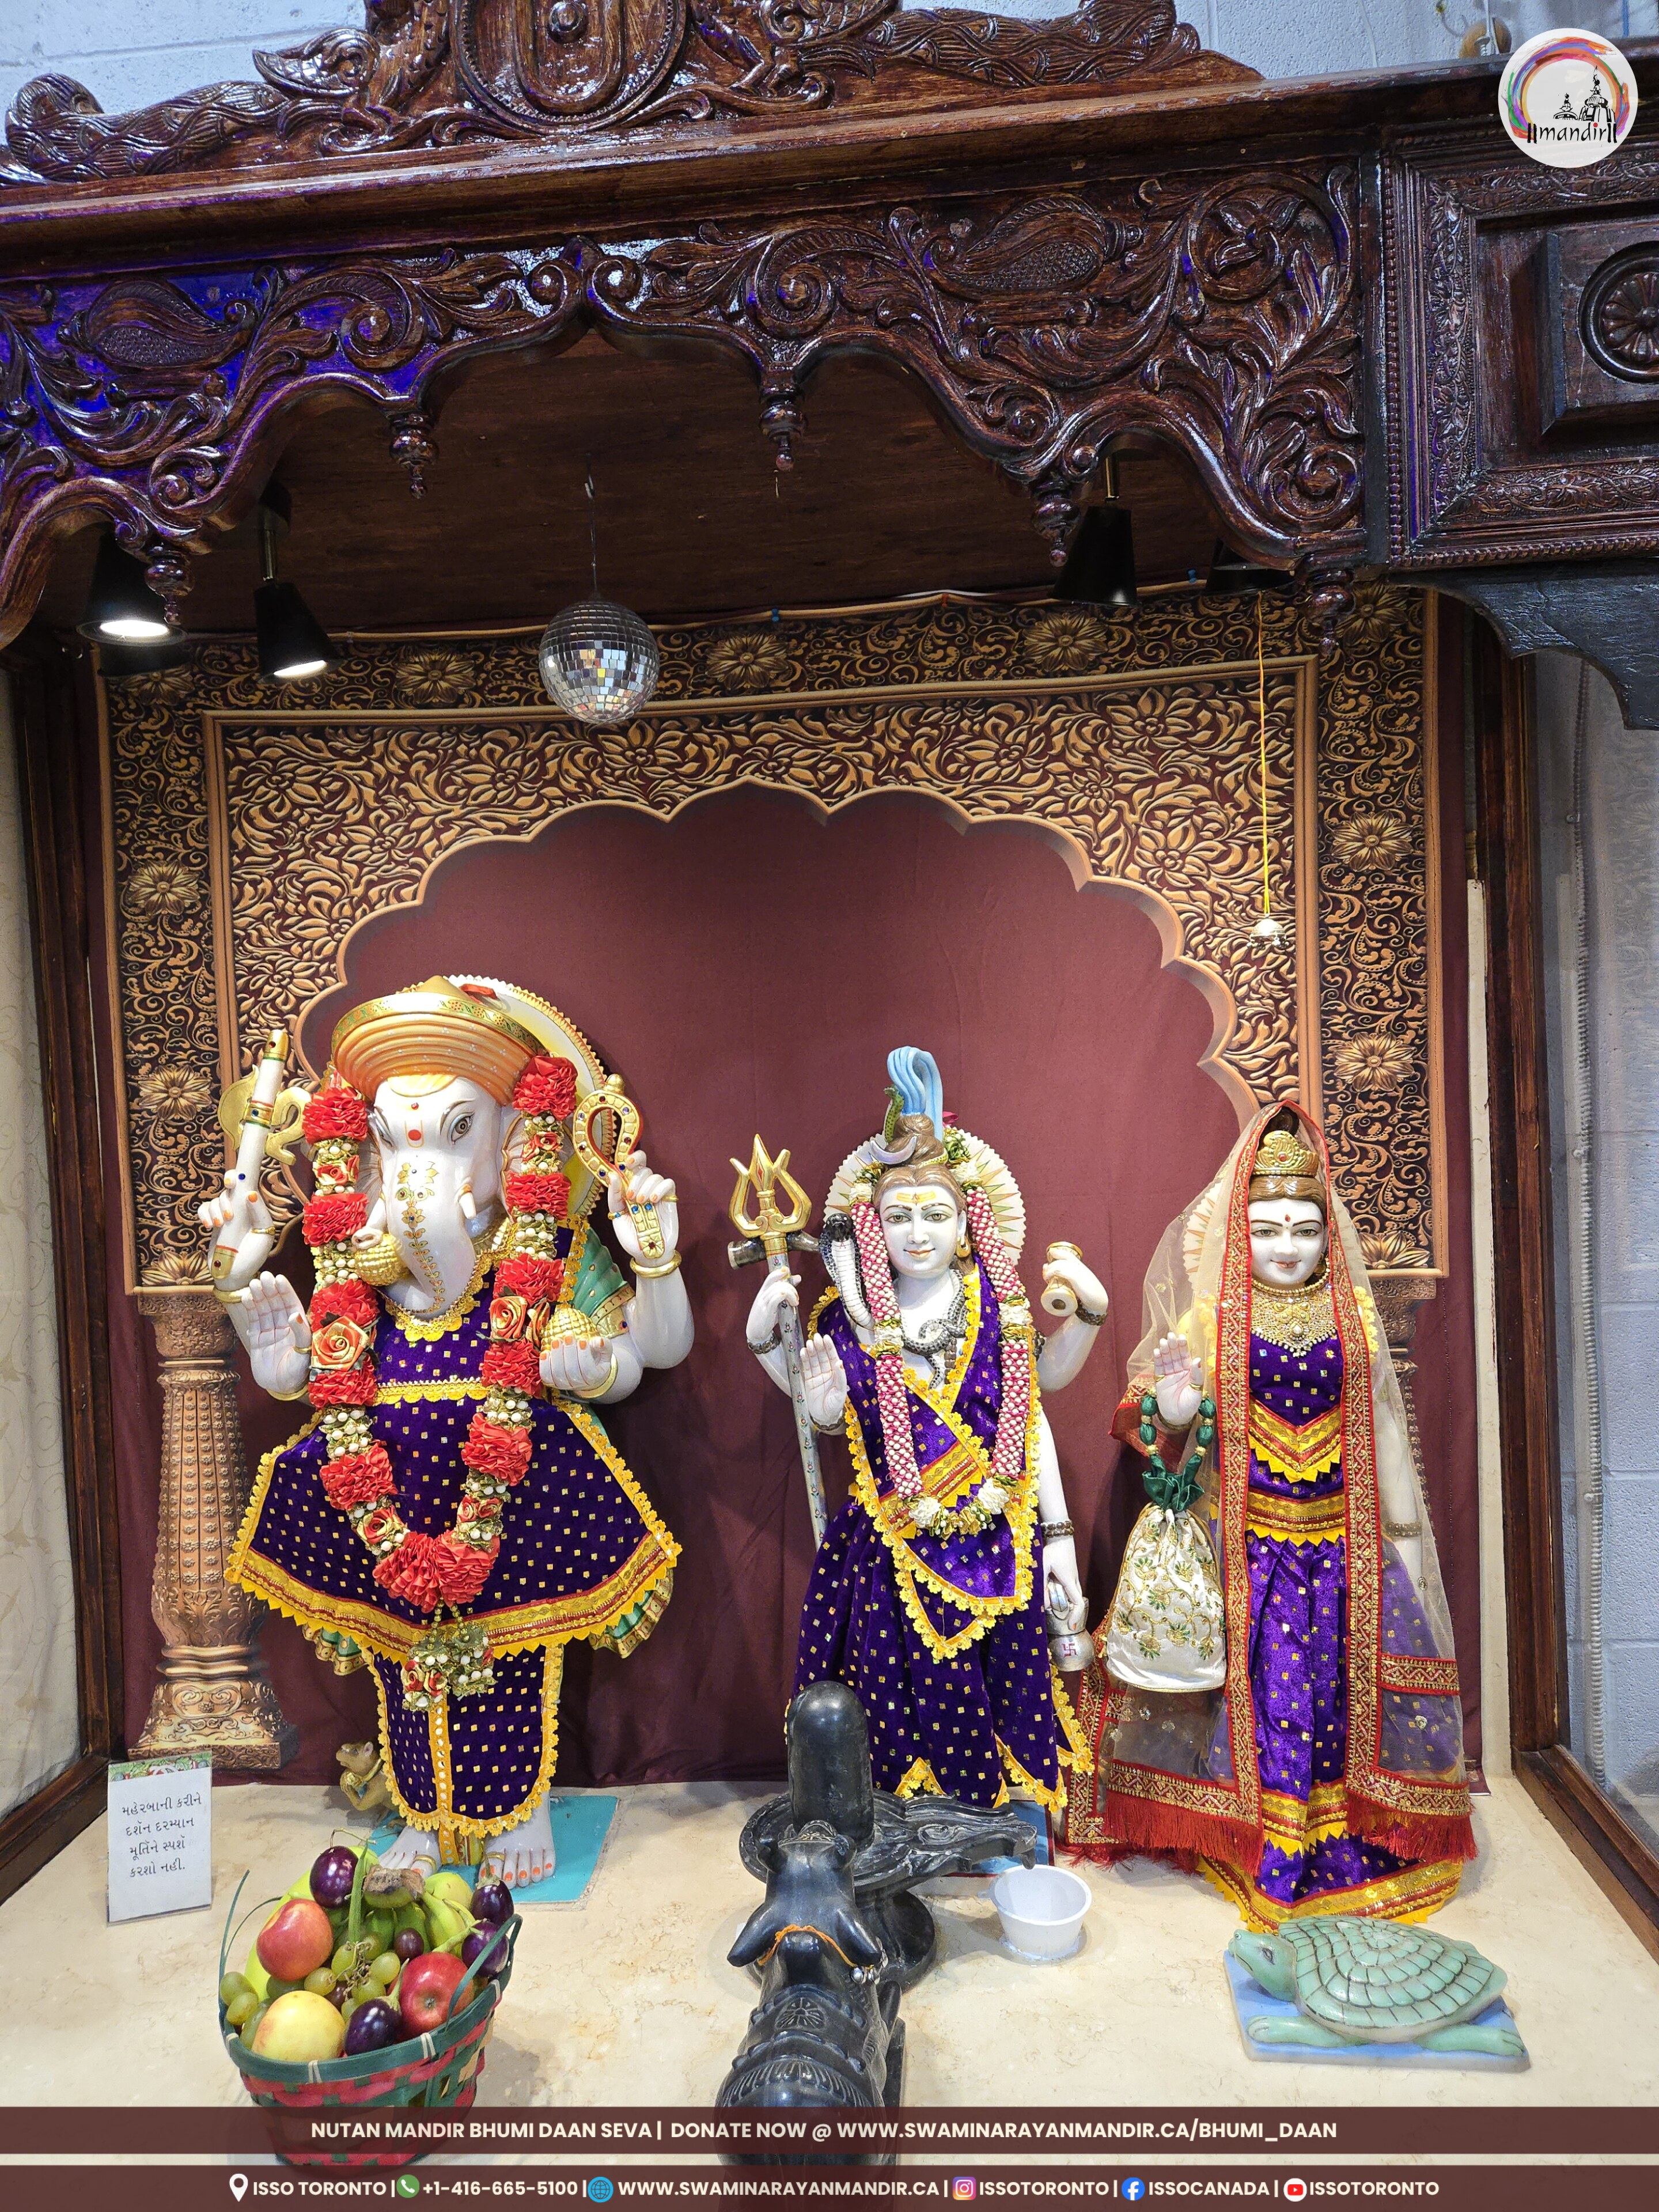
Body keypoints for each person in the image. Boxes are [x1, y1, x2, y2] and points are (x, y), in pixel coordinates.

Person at [211, 976, 688, 1882]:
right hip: (382, 1500)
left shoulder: (546, 1253)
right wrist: (261, 1333)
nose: (418, 1168)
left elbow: (650, 1355)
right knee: (403, 1662)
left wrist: (643, 1281)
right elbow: (316, 1373)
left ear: (514, 1138)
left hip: (513, 1503)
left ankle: (519, 1806)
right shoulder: (355, 1268)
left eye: (454, 1133)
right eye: (398, 1141)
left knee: (509, 1655)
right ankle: (422, 1810)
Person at [1070, 1106, 1475, 1927]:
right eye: (1266, 1230)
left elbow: (1383, 1425)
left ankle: (1337, 1817)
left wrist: (1401, 1536)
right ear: (1237, 1233)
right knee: (1272, 1689)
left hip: (1342, 1544)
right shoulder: (1212, 1317)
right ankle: (1261, 1830)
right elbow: (1149, 1419)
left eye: (1304, 1230)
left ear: (1329, 1236)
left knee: (1336, 1689)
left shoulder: (1353, 1316)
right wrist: (1173, 1406)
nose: (1286, 1247)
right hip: (1246, 1544)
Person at [745, 1047, 1104, 1812]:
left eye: (936, 1215)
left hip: (1000, 1539)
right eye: (899, 1217)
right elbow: (821, 1413)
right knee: (891, 1703)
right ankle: (903, 1826)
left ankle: (993, 1823)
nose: (917, 1234)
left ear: (968, 1222)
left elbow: (1035, 1405)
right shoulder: (847, 1317)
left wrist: (1060, 1536)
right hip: (890, 1545)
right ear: (871, 1228)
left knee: (1001, 1689)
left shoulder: (999, 1305)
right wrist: (769, 1349)